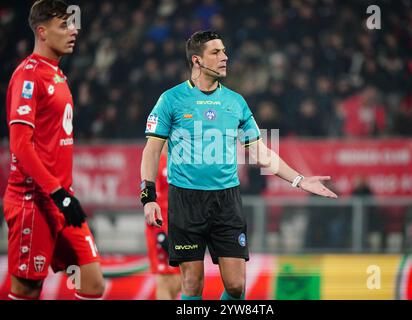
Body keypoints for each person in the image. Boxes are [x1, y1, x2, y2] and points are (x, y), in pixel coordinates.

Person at [140, 30, 337, 300]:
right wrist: (148, 197)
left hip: (226, 200)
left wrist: (300, 180)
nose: (225, 57)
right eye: (216, 52)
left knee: (235, 286)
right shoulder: (170, 100)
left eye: (224, 51)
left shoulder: (236, 102)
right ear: (197, 61)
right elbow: (151, 151)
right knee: (192, 283)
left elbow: (260, 152)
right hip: (185, 199)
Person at [2, 0, 104, 300]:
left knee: (92, 283)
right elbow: (20, 144)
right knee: (27, 290)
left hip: (60, 200)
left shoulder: (57, 74)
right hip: (33, 200)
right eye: (64, 26)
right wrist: (57, 192)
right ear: (43, 32)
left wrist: (62, 195)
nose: (73, 31)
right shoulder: (28, 76)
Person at [145, 144, 181, 299]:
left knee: (179, 280)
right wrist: (160, 233)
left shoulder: (182, 158)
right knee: (165, 279)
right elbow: (151, 199)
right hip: (161, 227)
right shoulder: (154, 160)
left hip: (181, 227)